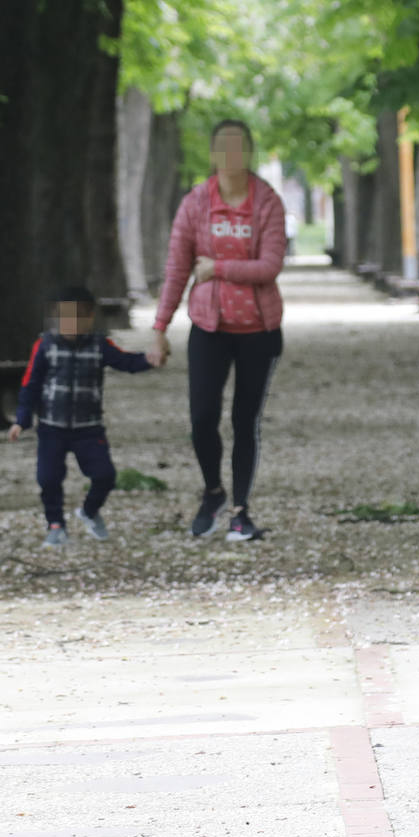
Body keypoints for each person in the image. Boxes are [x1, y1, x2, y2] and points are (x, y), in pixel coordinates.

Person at [149, 119, 286, 542]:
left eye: (238, 146)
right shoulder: (195, 204)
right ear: (213, 154)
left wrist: (217, 268)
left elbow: (270, 266)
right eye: (222, 146)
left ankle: (241, 512)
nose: (230, 154)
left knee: (246, 420)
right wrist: (160, 326)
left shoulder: (266, 203)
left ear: (248, 152)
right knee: (202, 418)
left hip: (258, 330)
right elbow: (176, 269)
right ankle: (213, 492)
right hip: (208, 327)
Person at [8, 285, 160, 548]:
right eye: (64, 316)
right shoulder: (45, 346)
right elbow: (30, 385)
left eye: (78, 316)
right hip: (51, 427)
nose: (70, 323)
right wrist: (22, 419)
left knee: (105, 475)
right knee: (48, 478)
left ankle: (89, 511)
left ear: (89, 318)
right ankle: (55, 525)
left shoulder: (100, 345)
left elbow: (126, 362)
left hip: (88, 428)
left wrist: (150, 359)